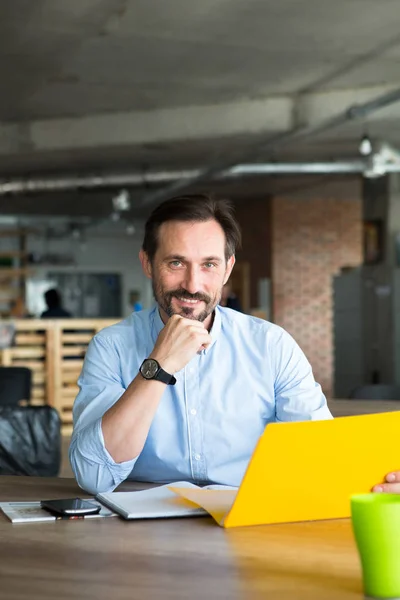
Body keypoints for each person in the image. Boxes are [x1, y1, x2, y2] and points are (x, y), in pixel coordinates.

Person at [70, 193, 333, 495]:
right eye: (176, 262)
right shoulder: (111, 347)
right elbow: (93, 476)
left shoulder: (272, 346)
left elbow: (321, 455)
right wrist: (158, 367)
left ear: (228, 269)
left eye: (208, 264)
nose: (192, 285)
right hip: (141, 532)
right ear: (147, 263)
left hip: (245, 520)